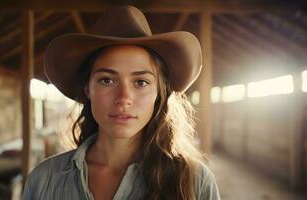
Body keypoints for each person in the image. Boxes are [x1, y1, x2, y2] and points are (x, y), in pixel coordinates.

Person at [23, 6, 220, 200]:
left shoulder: (194, 183)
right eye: (107, 80)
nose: (124, 98)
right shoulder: (44, 180)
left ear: (159, 93)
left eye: (141, 82)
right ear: (87, 88)